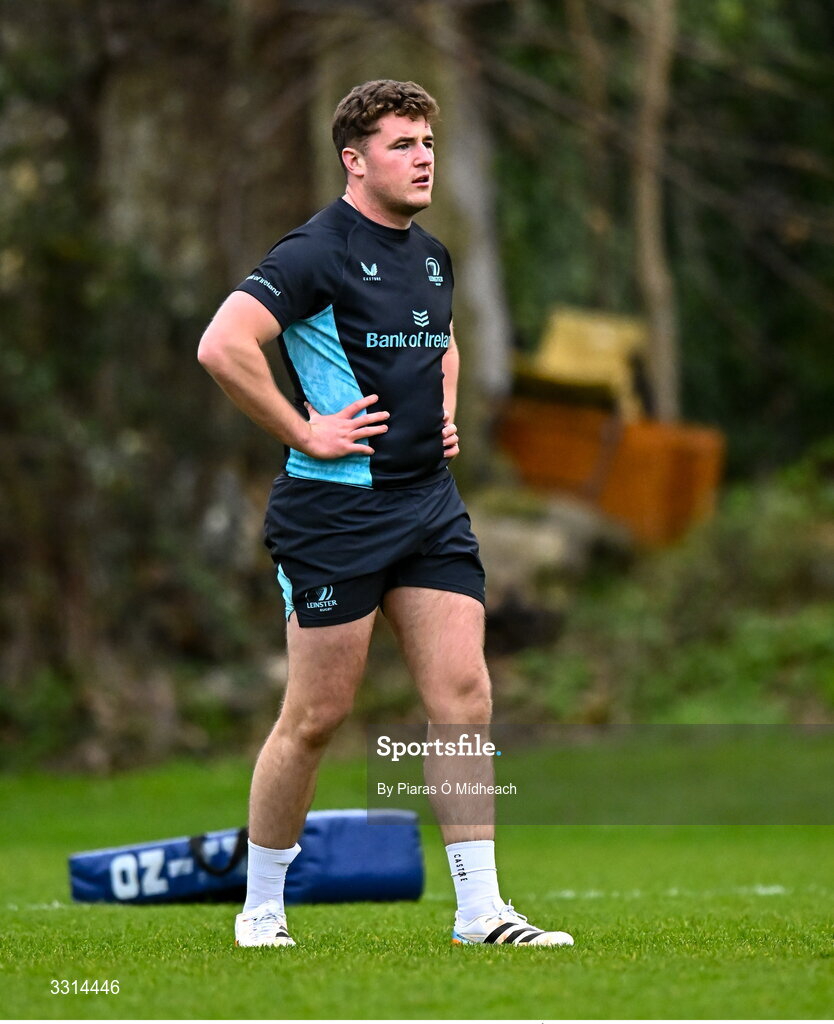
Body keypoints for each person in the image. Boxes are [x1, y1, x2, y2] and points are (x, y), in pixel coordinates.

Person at [197, 79, 573, 949]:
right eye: (403, 144)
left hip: (428, 508)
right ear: (354, 160)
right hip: (334, 516)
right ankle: (260, 909)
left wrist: (443, 409)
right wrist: (304, 429)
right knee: (317, 717)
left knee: (465, 695)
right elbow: (223, 344)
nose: (423, 156)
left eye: (427, 142)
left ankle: (480, 912)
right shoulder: (314, 251)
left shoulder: (432, 255)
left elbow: (440, 339)